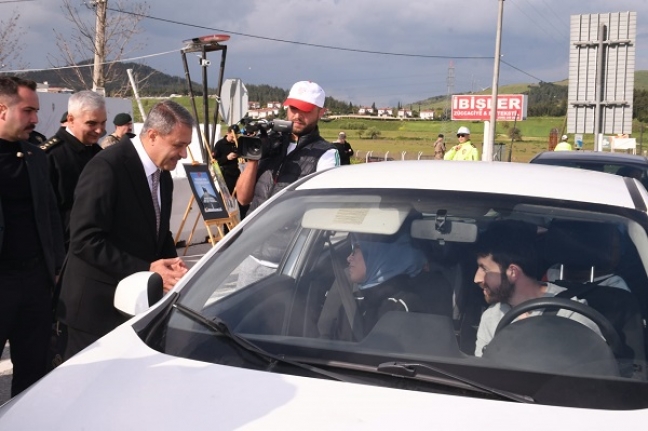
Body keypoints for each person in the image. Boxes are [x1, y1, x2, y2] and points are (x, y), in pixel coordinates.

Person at [58, 100, 192, 360]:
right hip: (94, 313)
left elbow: (157, 230)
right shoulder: (107, 167)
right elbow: (85, 240)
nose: (184, 154)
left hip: (136, 305)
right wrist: (149, 269)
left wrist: (172, 267)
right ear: (152, 135)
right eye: (179, 145)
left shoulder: (162, 172)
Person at [0, 76, 65, 396]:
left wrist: (53, 268)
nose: (36, 119)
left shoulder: (36, 156)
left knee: (33, 371)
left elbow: (51, 214)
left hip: (35, 283)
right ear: (2, 110)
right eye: (28, 111)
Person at [473, 220, 601, 357]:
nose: (477, 279)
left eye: (484, 269)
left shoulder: (570, 314)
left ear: (512, 272)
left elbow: (598, 368)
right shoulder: (492, 316)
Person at [235, 80, 339, 215]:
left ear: (321, 112)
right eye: (293, 108)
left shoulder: (326, 153)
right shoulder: (271, 142)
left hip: (290, 235)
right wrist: (254, 157)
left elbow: (322, 210)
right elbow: (243, 199)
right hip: (255, 232)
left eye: (305, 110)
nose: (297, 116)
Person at [318, 231, 435, 340]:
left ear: (378, 257)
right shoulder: (349, 294)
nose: (348, 258)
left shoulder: (402, 306)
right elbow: (329, 339)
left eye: (355, 252)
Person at [41, 91, 106, 248]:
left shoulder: (98, 153)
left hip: (98, 244)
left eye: (103, 123)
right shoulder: (50, 156)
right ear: (70, 120)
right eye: (91, 123)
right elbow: (46, 213)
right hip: (67, 248)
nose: (99, 130)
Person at [212, 125, 240, 194]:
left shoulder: (238, 143)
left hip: (237, 173)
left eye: (236, 136)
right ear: (227, 133)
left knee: (240, 196)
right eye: (232, 137)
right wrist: (227, 158)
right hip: (226, 175)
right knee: (225, 196)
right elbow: (214, 162)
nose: (234, 139)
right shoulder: (220, 144)